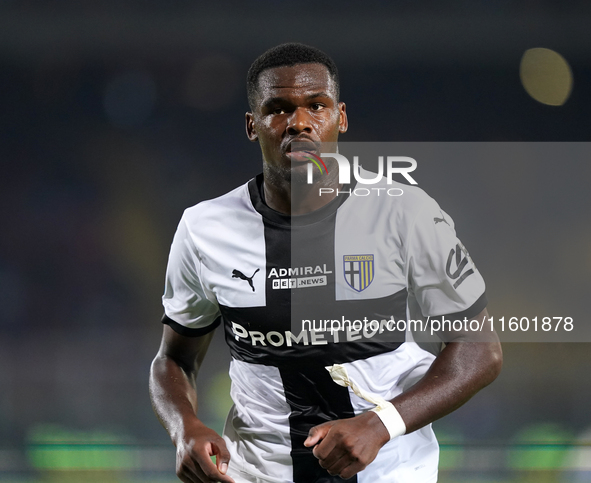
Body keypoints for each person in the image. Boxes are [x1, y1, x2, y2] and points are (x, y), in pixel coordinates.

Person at [149, 42, 503, 483]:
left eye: (316, 106)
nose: (299, 122)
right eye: (277, 109)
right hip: (261, 473)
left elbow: (479, 350)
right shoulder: (204, 229)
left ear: (341, 117)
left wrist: (380, 424)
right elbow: (174, 360)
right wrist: (184, 427)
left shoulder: (403, 212)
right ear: (251, 125)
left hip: (390, 470)